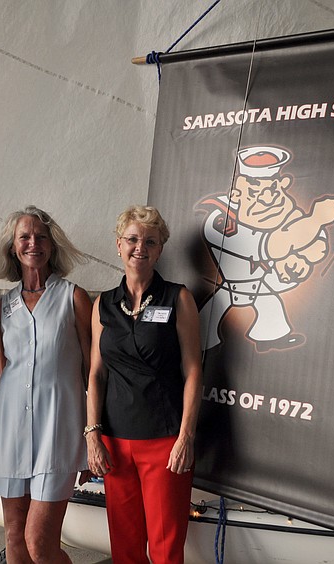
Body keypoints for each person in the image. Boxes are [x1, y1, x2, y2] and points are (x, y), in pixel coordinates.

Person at [86, 205, 203, 563]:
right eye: (133, 240)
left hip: (164, 443)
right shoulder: (104, 304)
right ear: (119, 245)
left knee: (166, 549)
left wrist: (185, 437)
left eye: (150, 241)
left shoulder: (178, 298)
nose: (141, 248)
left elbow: (194, 370)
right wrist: (93, 434)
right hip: (115, 444)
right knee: (125, 549)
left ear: (160, 249)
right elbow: (96, 373)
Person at [0, 206, 93, 563]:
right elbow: (1, 373)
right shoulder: (1, 308)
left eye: (41, 236)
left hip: (57, 430)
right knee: (14, 538)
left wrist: (93, 434)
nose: (33, 243)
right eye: (24, 237)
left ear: (53, 244)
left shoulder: (74, 297)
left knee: (39, 542)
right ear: (13, 247)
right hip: (8, 429)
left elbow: (94, 371)